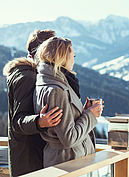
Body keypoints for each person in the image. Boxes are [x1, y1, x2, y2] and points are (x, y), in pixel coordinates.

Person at [33, 36, 103, 167]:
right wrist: (90, 115)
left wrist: (83, 111)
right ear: (63, 57)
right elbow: (69, 138)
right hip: (68, 162)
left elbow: (62, 125)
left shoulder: (46, 81)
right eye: (73, 56)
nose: (74, 61)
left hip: (64, 160)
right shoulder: (57, 89)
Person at [3, 30, 63, 177]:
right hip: (30, 162)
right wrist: (40, 121)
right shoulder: (27, 77)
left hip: (37, 159)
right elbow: (17, 121)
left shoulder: (39, 75)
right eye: (52, 49)